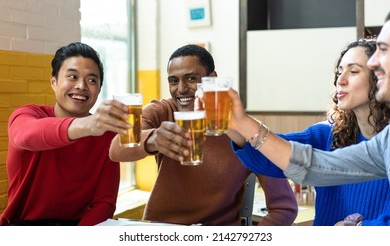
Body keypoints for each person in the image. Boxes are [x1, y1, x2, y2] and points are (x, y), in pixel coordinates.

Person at [217, 12, 390, 225]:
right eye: (339, 72)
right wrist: (230, 122)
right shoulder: (328, 134)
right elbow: (279, 158)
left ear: (379, 75)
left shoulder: (384, 143)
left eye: (353, 71)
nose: (340, 80)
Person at [109, 44, 298, 226]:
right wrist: (153, 139)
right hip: (160, 229)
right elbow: (116, 149)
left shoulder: (246, 131)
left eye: (191, 79)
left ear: (212, 79)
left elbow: (284, 208)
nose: (181, 89)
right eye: (173, 81)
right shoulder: (162, 112)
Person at [0, 42, 130, 226]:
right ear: (54, 82)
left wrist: (75, 239)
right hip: (24, 228)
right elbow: (25, 136)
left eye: (92, 80)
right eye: (72, 76)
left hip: (79, 229)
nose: (81, 86)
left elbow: (104, 203)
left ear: (99, 89)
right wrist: (87, 125)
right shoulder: (26, 115)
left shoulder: (106, 135)